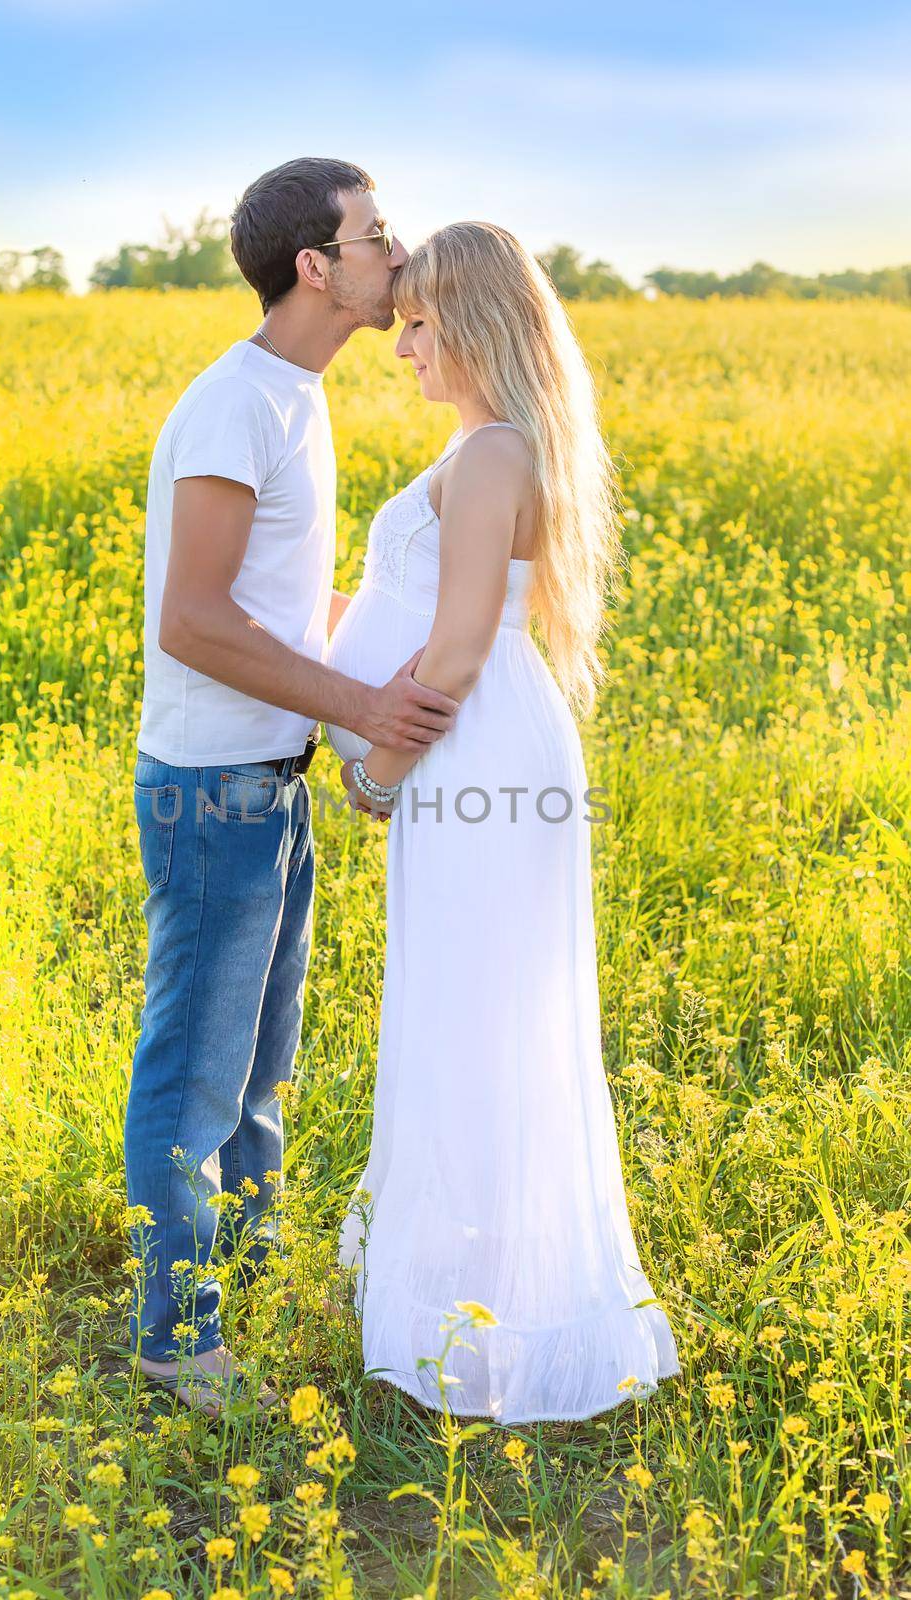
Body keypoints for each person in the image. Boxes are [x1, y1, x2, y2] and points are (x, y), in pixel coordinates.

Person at [326, 222, 681, 1423]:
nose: (401, 345)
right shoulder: (487, 443)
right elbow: (410, 604)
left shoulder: (488, 453)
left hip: (472, 751)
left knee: (476, 1014)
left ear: (475, 323)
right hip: (480, 752)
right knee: (470, 1009)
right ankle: (471, 1286)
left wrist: (372, 768)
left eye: (421, 325)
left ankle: (495, 1317)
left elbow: (462, 641)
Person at [125, 157, 459, 1417]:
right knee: (196, 1076)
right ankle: (178, 1339)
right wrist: (368, 708)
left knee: (262, 1066)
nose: (397, 253)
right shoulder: (236, 407)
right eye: (377, 235)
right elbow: (196, 624)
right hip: (214, 793)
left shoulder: (299, 397)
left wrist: (405, 643)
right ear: (315, 266)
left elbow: (277, 612)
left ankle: (245, 1279)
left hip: (271, 781)